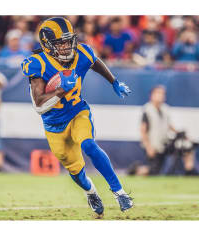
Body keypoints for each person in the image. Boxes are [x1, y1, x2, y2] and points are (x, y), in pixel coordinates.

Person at [21, 17, 133, 216]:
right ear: (47, 45)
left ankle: (120, 192)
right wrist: (60, 91)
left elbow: (94, 62)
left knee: (89, 145)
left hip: (77, 111)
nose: (66, 46)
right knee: (75, 170)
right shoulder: (38, 64)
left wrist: (114, 82)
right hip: (54, 124)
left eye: (68, 40)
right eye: (60, 42)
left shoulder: (81, 52)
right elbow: (39, 105)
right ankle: (91, 192)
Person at [136, 85, 194, 175]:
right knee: (153, 171)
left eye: (162, 94)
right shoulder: (147, 110)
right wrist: (148, 147)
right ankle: (136, 170)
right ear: (152, 95)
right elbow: (143, 130)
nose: (161, 96)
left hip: (165, 143)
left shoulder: (165, 109)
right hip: (154, 146)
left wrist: (179, 133)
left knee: (187, 147)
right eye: (158, 93)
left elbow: (169, 125)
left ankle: (189, 171)